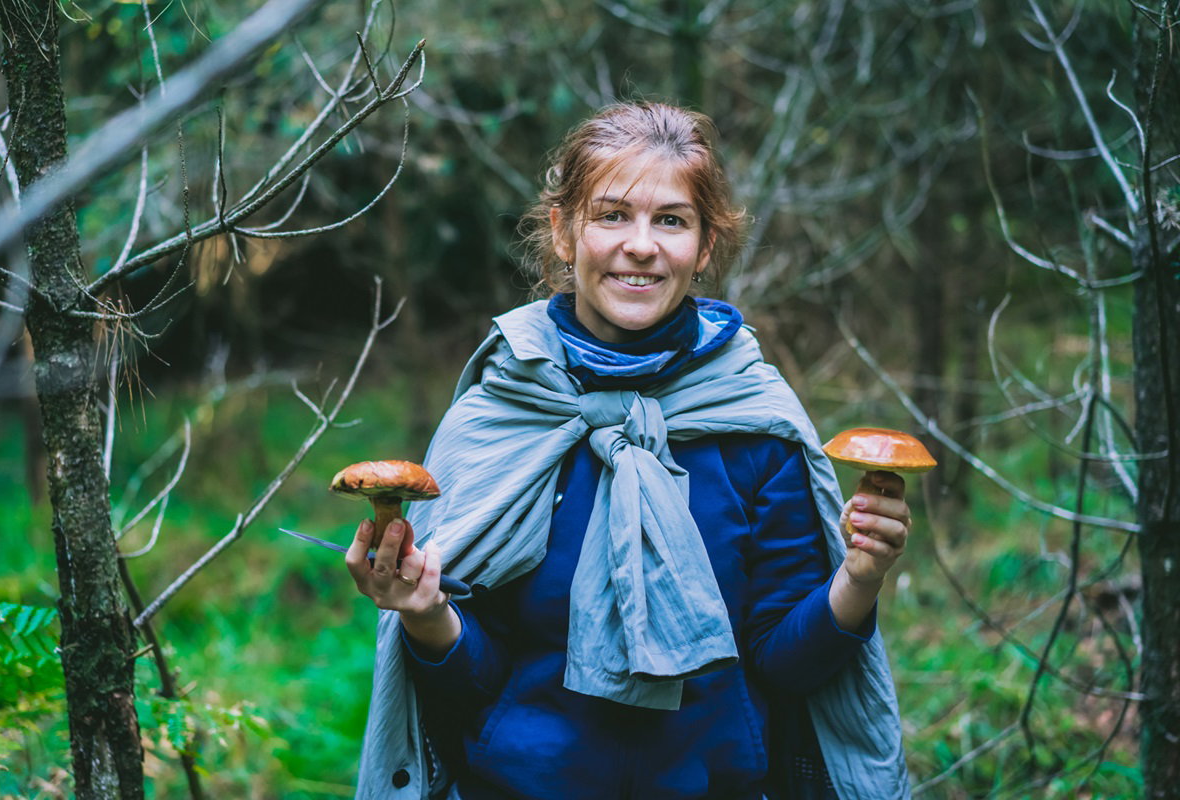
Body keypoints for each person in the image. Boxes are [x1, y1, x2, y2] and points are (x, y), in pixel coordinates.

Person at [347, 102, 912, 800]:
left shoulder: (754, 424)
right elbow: (477, 686)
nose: (640, 245)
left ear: (704, 246)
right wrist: (426, 614)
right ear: (563, 232)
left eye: (670, 220)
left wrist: (858, 579)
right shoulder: (504, 414)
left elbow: (782, 669)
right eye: (612, 215)